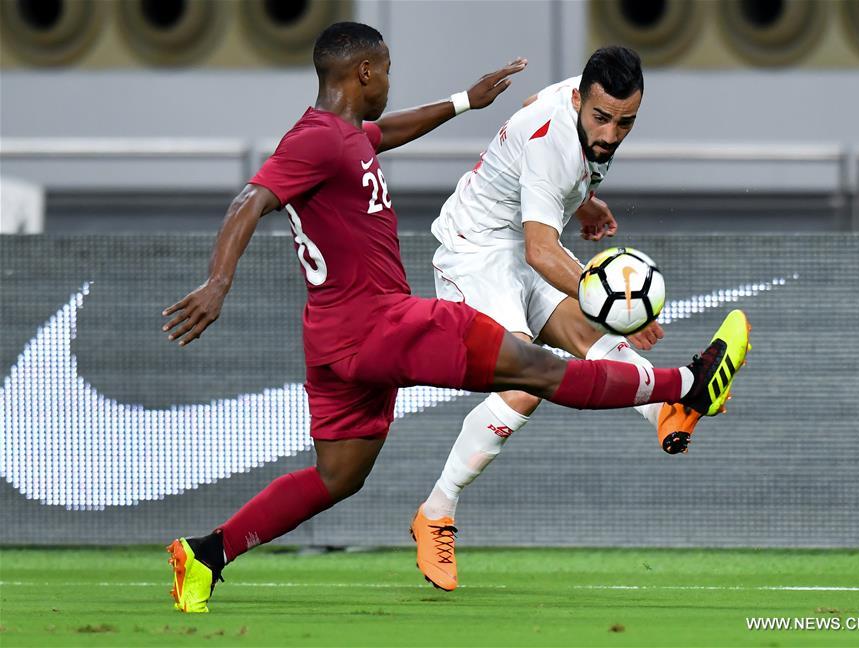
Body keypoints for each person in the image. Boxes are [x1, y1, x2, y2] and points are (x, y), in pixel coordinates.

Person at [162, 23, 750, 613]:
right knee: (537, 373)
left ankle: (207, 553)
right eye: (386, 69)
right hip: (385, 323)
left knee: (339, 477)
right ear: (364, 72)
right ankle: (687, 383)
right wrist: (218, 282)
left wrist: (465, 100)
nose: (390, 81)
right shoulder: (314, 142)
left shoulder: (344, 135)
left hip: (335, 338)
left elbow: (384, 132)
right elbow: (251, 198)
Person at [410, 48, 722, 591]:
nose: (611, 132)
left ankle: (665, 412)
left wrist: (582, 202)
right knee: (526, 381)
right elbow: (539, 250)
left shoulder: (581, 101)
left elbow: (536, 107)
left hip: (519, 243)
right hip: (476, 252)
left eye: (626, 122)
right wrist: (614, 305)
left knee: (586, 336)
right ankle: (436, 511)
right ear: (579, 99)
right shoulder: (555, 140)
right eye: (601, 118)